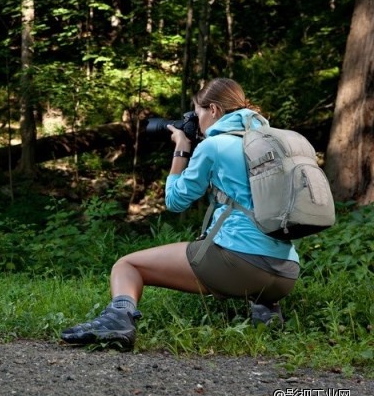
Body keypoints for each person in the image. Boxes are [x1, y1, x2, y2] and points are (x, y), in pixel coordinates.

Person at [60, 78, 300, 349]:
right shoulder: (274, 142)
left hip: (239, 266)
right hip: (285, 273)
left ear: (213, 110)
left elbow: (175, 201)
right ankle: (266, 311)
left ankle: (118, 322)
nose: (197, 122)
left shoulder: (215, 145)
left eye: (197, 113)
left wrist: (181, 148)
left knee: (127, 266)